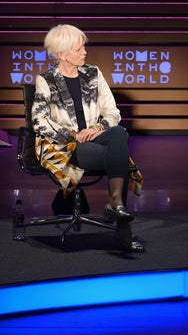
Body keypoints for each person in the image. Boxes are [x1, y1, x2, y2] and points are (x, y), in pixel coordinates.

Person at [32, 24, 144, 252]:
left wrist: (99, 126)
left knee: (118, 133)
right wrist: (73, 134)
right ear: (62, 54)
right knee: (118, 157)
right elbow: (39, 121)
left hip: (95, 138)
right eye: (79, 48)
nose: (85, 52)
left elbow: (113, 111)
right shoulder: (46, 80)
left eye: (84, 47)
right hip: (62, 145)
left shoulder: (93, 73)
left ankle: (116, 202)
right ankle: (123, 229)